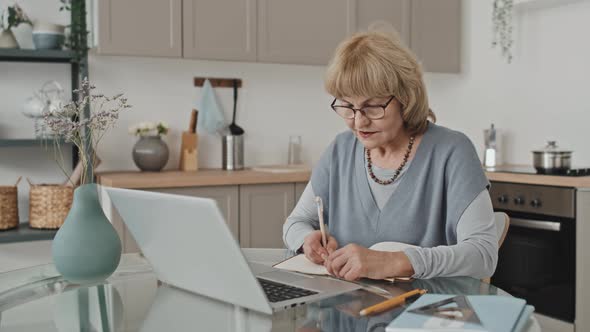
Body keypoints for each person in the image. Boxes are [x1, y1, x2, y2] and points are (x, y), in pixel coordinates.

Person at [282, 30, 498, 281]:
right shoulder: (340, 150)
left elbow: (483, 255)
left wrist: (395, 261)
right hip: (347, 311)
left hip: (426, 313)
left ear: (406, 99)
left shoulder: (452, 152)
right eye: (348, 106)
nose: (359, 121)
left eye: (372, 107)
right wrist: (307, 240)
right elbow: (296, 222)